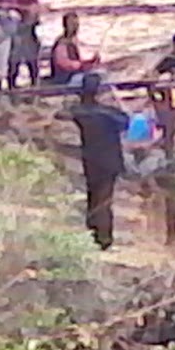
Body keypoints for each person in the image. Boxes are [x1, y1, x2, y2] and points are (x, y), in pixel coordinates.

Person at [63, 73, 131, 250]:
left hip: (91, 160)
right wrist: (115, 101)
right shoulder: (108, 114)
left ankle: (93, 233)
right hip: (109, 160)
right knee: (103, 200)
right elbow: (125, 121)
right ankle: (103, 238)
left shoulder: (80, 112)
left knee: (93, 197)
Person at [8, 0, 44, 90]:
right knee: (14, 66)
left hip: (29, 34)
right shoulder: (14, 1)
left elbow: (36, 21)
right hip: (17, 35)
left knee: (33, 65)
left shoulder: (32, 1)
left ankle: (34, 89)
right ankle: (12, 89)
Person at [49, 12, 99, 85]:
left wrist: (90, 62)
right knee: (91, 79)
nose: (75, 27)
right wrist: (81, 65)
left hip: (73, 75)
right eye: (72, 24)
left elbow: (76, 61)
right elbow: (63, 63)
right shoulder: (62, 43)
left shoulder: (73, 41)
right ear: (65, 26)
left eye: (76, 24)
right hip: (65, 78)